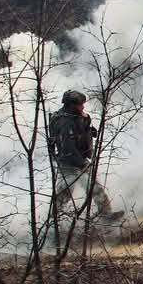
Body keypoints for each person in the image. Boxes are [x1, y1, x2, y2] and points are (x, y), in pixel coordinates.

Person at [49, 90, 122, 223]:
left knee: (95, 188)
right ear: (71, 105)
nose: (83, 107)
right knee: (64, 194)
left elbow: (84, 132)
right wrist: (82, 164)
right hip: (69, 163)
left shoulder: (77, 116)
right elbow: (67, 148)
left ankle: (106, 214)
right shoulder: (64, 122)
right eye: (80, 104)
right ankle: (52, 224)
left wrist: (90, 131)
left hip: (80, 160)